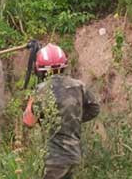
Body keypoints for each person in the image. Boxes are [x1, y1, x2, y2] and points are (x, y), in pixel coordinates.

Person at [28, 43, 100, 179]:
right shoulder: (79, 86)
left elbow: (28, 121)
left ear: (39, 69)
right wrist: (74, 118)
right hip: (74, 153)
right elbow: (94, 109)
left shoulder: (41, 89)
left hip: (54, 158)